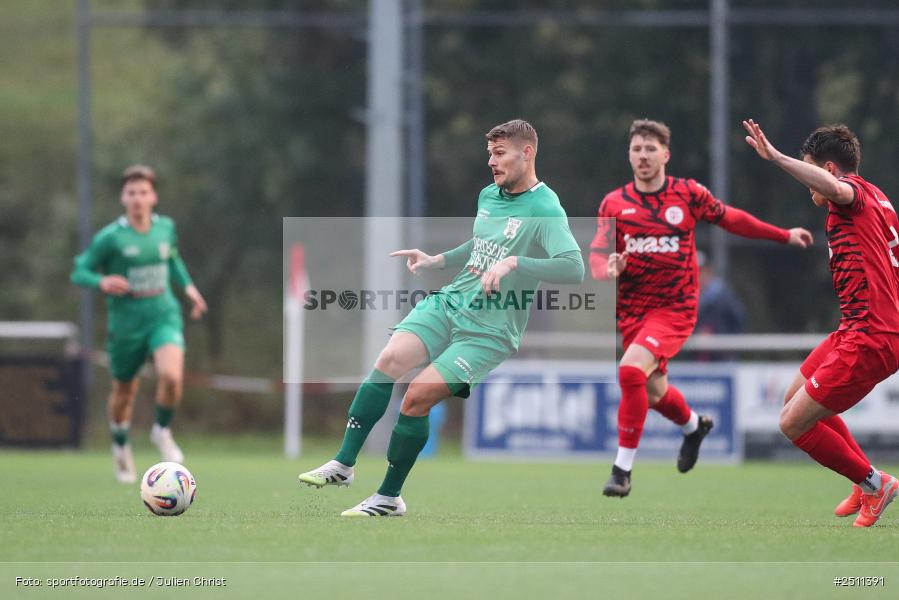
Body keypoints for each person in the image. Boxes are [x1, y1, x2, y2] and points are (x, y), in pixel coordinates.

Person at [298, 119, 584, 516]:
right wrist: (439, 260)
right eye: (490, 154)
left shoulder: (545, 208)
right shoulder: (489, 195)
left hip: (489, 330)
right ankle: (343, 464)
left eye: (500, 154)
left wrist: (515, 263)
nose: (492, 162)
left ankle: (388, 498)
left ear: (527, 152)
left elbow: (573, 267)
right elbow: (482, 243)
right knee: (389, 360)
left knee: (417, 396)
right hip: (450, 303)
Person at [589, 119, 812, 498]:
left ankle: (621, 471)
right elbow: (597, 255)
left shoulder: (687, 194)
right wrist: (607, 268)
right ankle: (694, 426)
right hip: (632, 313)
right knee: (653, 392)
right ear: (629, 155)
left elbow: (731, 219)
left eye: (650, 149)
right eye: (637, 149)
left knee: (629, 371)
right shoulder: (614, 203)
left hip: (674, 310)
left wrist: (783, 235)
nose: (643, 156)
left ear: (665, 154)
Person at [744, 120, 899, 527]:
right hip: (856, 327)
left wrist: (777, 158)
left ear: (828, 169)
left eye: (809, 169)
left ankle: (875, 484)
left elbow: (837, 188)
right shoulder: (879, 198)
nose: (807, 183)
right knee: (793, 398)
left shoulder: (851, 193)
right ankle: (865, 481)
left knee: (792, 424)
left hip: (871, 335)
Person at [71, 165, 207, 483]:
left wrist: (189, 288)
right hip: (127, 324)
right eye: (131, 192)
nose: (137, 198)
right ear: (123, 198)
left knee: (171, 376)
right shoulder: (110, 238)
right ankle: (120, 446)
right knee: (124, 391)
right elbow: (79, 271)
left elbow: (172, 259)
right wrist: (101, 281)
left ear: (153, 197)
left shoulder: (165, 228)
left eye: (143, 192)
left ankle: (161, 431)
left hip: (163, 313)